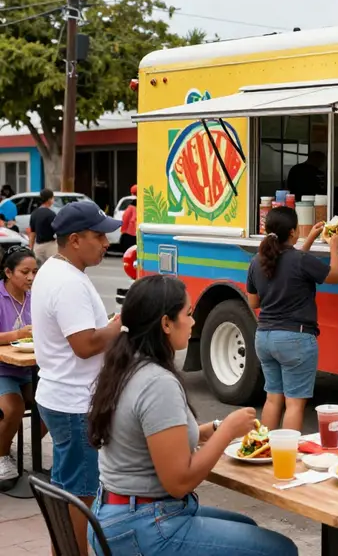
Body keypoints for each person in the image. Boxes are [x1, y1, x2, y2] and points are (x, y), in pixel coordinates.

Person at [87, 275, 298, 556]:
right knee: (280, 550)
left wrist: (210, 429)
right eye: (188, 314)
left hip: (116, 515)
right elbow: (179, 483)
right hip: (142, 526)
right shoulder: (156, 383)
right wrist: (227, 431)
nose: (194, 322)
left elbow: (151, 438)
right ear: (165, 323)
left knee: (247, 526)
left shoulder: (126, 365)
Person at [30, 200, 122, 556]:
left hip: (62, 396)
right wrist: (119, 324)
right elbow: (84, 345)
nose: (106, 243)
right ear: (74, 240)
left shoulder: (55, 270)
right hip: (74, 403)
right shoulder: (67, 282)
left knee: (67, 487)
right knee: (80, 494)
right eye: (99, 236)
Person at [247, 206, 338, 431]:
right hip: (295, 339)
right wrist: (334, 248)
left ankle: (265, 448)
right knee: (294, 405)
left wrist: (309, 240)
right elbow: (335, 275)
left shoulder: (257, 260)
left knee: (273, 399)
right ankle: (287, 451)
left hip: (264, 337)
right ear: (292, 232)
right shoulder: (300, 260)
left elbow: (253, 302)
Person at [0, 246, 38, 482]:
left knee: (52, 405)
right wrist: (17, 334)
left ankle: (10, 444)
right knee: (13, 408)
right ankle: (2, 455)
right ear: (8, 272)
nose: (31, 278)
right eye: (25, 272)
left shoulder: (35, 298)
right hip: (3, 369)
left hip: (29, 368)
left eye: (34, 272)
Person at [28, 188, 58, 265]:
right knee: (53, 267)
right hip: (51, 246)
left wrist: (31, 248)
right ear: (49, 199)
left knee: (38, 268)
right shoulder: (51, 214)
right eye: (53, 198)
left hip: (38, 247)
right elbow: (57, 231)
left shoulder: (34, 213)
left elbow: (32, 233)